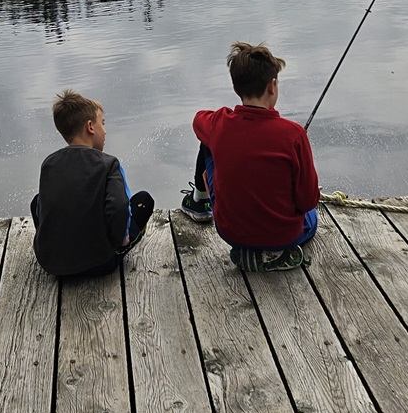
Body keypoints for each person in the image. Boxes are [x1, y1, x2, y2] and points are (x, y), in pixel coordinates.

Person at [179, 41, 319, 272]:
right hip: (285, 235)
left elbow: (198, 120)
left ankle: (199, 202)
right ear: (272, 86)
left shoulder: (219, 123)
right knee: (311, 216)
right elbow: (307, 201)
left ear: (236, 89)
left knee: (208, 141)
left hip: (230, 232)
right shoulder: (294, 134)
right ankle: (276, 254)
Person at [31, 90, 153, 278]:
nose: (105, 130)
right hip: (101, 263)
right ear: (90, 127)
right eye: (102, 123)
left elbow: (43, 207)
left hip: (52, 265)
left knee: (37, 201)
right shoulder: (109, 164)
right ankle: (117, 247)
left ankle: (55, 249)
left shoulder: (49, 163)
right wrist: (121, 238)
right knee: (144, 200)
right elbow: (119, 207)